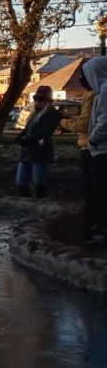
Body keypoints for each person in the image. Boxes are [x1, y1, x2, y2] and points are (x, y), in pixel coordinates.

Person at [66, 64, 98, 240]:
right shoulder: (94, 94)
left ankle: (93, 228)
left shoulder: (93, 95)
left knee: (91, 191)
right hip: (92, 146)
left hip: (92, 147)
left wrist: (64, 123)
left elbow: (85, 124)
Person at [14, 85, 61, 197]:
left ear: (48, 101)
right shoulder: (35, 113)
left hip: (40, 151)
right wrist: (20, 136)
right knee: (20, 181)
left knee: (39, 180)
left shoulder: (51, 113)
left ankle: (40, 204)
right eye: (36, 99)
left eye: (41, 100)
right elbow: (28, 128)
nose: (38, 102)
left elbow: (46, 132)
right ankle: (27, 203)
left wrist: (28, 139)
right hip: (27, 150)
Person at [82, 56, 107, 247]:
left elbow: (104, 122)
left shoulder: (105, 91)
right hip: (98, 149)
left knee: (101, 193)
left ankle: (102, 231)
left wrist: (93, 139)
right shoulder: (100, 92)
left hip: (102, 151)